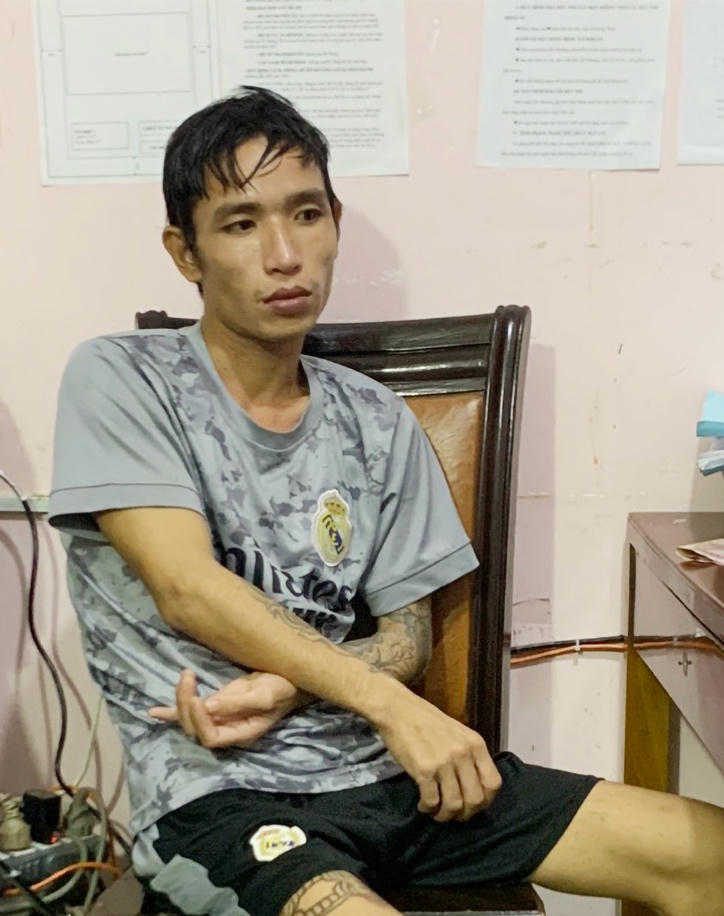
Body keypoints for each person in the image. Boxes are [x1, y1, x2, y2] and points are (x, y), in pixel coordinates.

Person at [49, 87, 724, 916]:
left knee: (707, 855)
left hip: (390, 777)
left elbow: (407, 637)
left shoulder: (375, 420)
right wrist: (385, 701)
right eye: (240, 224)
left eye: (306, 214)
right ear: (185, 252)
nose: (285, 255)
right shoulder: (123, 377)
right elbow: (185, 587)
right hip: (221, 799)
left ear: (335, 221)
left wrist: (296, 686)